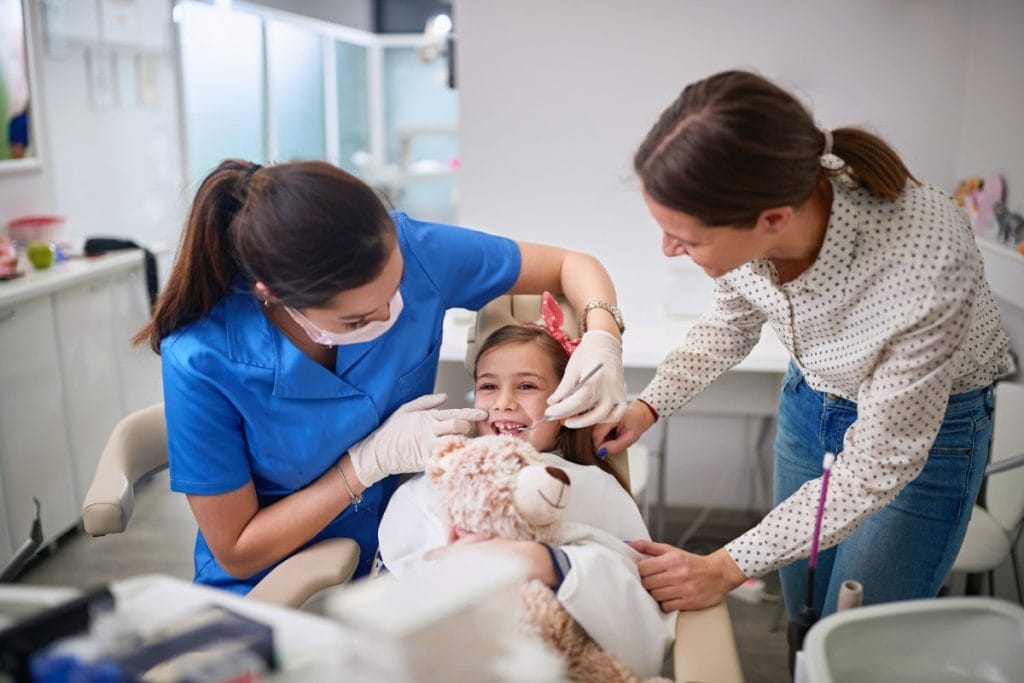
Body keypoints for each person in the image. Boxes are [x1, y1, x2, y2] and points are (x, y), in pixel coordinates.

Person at [595, 71, 1013, 629]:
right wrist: (647, 408)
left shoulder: (924, 266)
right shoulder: (761, 214)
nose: (670, 251)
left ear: (772, 220)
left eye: (688, 239)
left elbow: (872, 468)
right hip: (810, 402)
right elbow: (730, 322)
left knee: (858, 637)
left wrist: (723, 567)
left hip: (926, 436)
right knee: (807, 607)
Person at [135, 160, 628, 595]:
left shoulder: (416, 249)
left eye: (395, 290)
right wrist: (363, 467)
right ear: (272, 293)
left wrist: (602, 335)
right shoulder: (201, 357)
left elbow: (572, 264)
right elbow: (238, 550)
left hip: (402, 557)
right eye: (357, 321)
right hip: (273, 583)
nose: (391, 316)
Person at [378, 297, 675, 679]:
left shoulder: (595, 487)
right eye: (488, 386)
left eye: (526, 386)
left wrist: (545, 562)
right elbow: (401, 580)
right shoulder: (442, 478)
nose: (503, 403)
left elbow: (630, 598)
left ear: (568, 401)